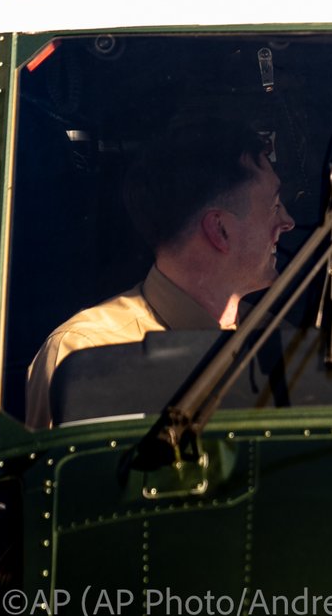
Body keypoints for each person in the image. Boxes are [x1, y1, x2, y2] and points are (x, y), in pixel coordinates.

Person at [25, 118, 296, 428]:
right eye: (274, 205)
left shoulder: (278, 341)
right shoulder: (85, 353)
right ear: (220, 229)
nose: (288, 222)